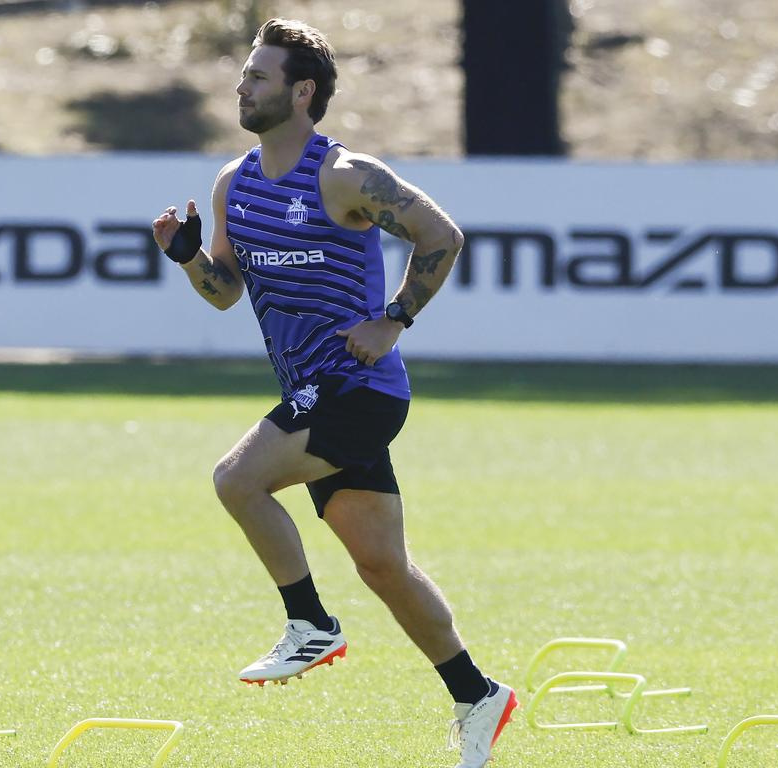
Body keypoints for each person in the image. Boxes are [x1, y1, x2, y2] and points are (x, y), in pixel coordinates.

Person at [151, 18, 516, 768]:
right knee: (382, 565)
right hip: (316, 390)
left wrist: (394, 320)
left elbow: (441, 234)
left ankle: (310, 624)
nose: (242, 84)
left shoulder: (345, 175)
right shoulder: (235, 183)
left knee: (236, 480)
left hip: (358, 389)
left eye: (258, 75)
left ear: (302, 90)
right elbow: (225, 293)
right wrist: (189, 259)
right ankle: (478, 694)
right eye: (245, 72)